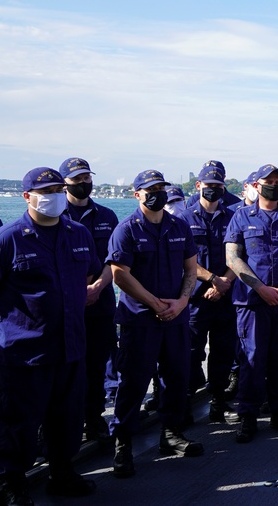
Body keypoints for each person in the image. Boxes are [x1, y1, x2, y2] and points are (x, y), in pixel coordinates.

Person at [0, 167, 99, 503]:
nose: (53, 196)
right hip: (25, 351)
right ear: (27, 197)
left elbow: (94, 271)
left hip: (70, 345)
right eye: (46, 190)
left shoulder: (78, 233)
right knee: (20, 420)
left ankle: (62, 472)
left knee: (68, 416)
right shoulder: (8, 238)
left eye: (58, 189)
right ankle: (14, 481)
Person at [107, 169, 203, 478]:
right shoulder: (127, 230)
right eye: (150, 189)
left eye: (161, 187)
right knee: (134, 381)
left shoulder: (179, 226)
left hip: (175, 316)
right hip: (140, 320)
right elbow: (120, 274)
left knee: (176, 376)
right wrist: (154, 303)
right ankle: (123, 443)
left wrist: (182, 301)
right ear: (137, 194)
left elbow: (191, 269)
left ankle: (171, 433)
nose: (157, 193)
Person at [225, 164, 278, 443]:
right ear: (256, 185)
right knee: (252, 358)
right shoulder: (241, 217)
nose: (274, 184)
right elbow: (233, 258)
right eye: (269, 181)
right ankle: (248, 416)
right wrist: (260, 288)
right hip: (252, 302)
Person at [59, 157, 120, 444]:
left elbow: (115, 259)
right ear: (64, 184)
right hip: (67, 307)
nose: (84, 184)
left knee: (97, 364)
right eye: (77, 180)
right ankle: (58, 426)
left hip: (101, 301)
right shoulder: (57, 215)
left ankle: (94, 419)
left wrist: (97, 287)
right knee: (65, 369)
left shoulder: (107, 216)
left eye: (86, 179)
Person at [176, 164, 239, 423]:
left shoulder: (233, 216)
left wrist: (224, 281)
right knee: (191, 352)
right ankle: (186, 402)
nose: (212, 189)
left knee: (223, 352)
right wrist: (213, 280)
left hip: (225, 297)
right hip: (195, 299)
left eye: (217, 185)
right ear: (198, 185)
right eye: (208, 184)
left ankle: (218, 402)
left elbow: (239, 254)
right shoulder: (183, 219)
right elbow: (183, 259)